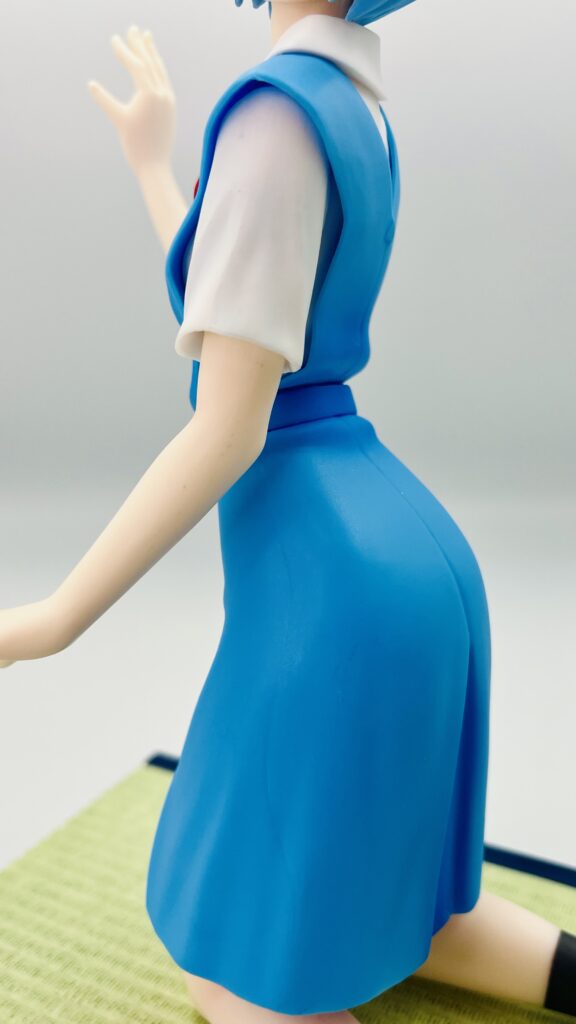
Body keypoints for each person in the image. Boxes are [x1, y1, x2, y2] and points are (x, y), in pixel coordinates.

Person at [2, 0, 574, 1019]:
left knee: (221, 941)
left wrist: (54, 618)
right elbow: (234, 295)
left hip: (327, 585)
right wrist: (152, 163)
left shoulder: (274, 116)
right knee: (408, 900)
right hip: (405, 552)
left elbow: (229, 426)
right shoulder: (354, 105)